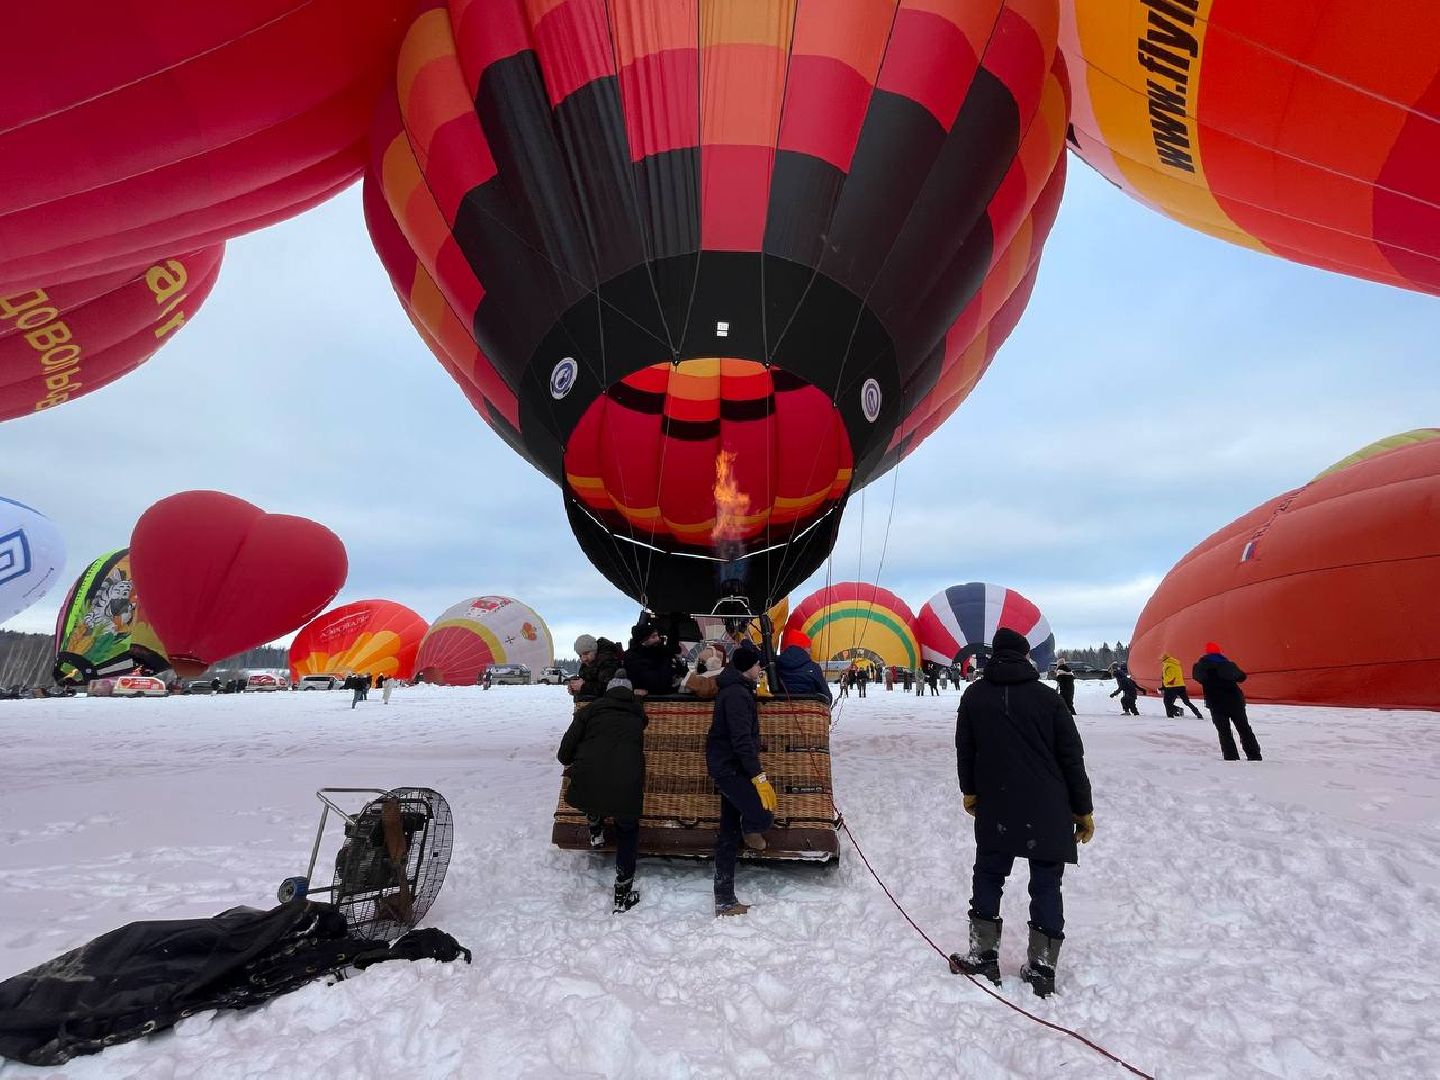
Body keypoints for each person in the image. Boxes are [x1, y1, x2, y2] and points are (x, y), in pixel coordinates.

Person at [950, 629, 1094, 999]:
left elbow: (965, 749)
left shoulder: (975, 696)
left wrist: (970, 790)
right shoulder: (1048, 698)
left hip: (997, 802)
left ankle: (983, 957)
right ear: (1026, 655)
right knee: (1046, 883)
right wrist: (1083, 809)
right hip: (1048, 805)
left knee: (988, 875)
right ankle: (1042, 969)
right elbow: (1072, 757)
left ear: (993, 656)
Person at [557, 669, 647, 913]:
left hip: (588, 783)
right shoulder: (638, 716)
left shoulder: (588, 712)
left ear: (607, 692)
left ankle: (595, 824)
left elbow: (563, 755)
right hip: (627, 786)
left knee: (591, 792)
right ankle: (622, 894)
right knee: (627, 831)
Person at [705, 643, 776, 916]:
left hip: (730, 766)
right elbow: (741, 740)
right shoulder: (736, 694)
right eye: (757, 665)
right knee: (762, 813)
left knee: (728, 833)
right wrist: (758, 776)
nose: (760, 668)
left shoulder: (739, 689)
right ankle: (751, 831)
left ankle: (724, 900)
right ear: (747, 667)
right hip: (729, 769)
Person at [1192, 642, 1263, 761]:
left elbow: (1197, 678)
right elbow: (1241, 677)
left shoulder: (1200, 666)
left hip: (1216, 703)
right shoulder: (1227, 664)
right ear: (1219, 651)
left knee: (1224, 732)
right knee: (1244, 729)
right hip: (1234, 702)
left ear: (1206, 652)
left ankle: (1231, 757)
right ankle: (1254, 755)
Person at [623, 618, 681, 696]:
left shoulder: (661, 652)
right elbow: (651, 682)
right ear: (643, 641)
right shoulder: (632, 657)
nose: (658, 639)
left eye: (657, 635)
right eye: (653, 637)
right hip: (649, 698)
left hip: (668, 695)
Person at [773, 630, 831, 701]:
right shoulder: (814, 668)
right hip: (810, 707)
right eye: (809, 647)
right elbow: (827, 697)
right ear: (803, 648)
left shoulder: (775, 666)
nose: (811, 651)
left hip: (780, 706)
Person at [1159, 652, 1204, 718]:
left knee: (1167, 702)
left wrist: (1165, 682)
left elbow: (1170, 677)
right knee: (1186, 702)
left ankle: (1170, 717)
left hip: (1171, 687)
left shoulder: (1167, 665)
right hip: (1181, 685)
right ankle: (1197, 713)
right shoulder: (1176, 664)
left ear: (1163, 659)